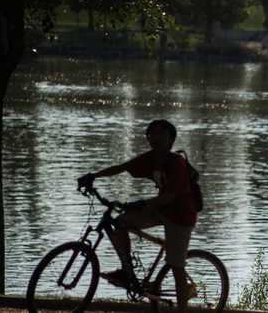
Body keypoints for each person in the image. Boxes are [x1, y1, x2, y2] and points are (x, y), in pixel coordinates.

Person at [76, 119, 196, 313]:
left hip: (181, 216)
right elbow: (121, 167)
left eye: (161, 134)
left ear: (171, 139)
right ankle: (127, 270)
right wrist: (93, 176)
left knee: (176, 266)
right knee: (121, 221)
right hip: (161, 208)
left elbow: (169, 197)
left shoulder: (176, 163)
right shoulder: (151, 158)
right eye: (152, 134)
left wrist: (142, 203)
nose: (156, 138)